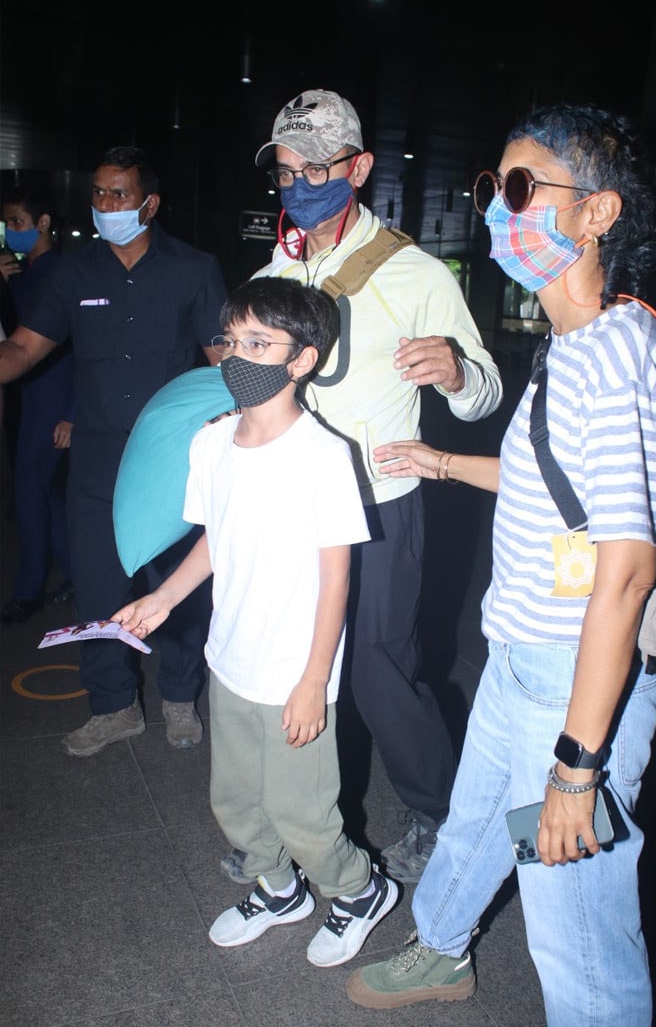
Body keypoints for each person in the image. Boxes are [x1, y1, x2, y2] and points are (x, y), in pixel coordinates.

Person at [344, 103, 656, 1024]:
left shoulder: (613, 357)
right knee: (470, 827)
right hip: (522, 655)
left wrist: (578, 767)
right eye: (493, 187)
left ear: (598, 214)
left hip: (577, 683)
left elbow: (624, 570)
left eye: (525, 187)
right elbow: (552, 480)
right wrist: (445, 462)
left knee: (574, 922)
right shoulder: (571, 343)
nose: (500, 206)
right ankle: (442, 950)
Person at [221, 88, 503, 885]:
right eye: (287, 169)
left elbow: (483, 391)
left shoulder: (413, 272)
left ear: (360, 167)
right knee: (282, 664)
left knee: (380, 671)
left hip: (379, 504)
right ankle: (282, 827)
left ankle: (439, 813)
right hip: (287, 508)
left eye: (319, 165)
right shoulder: (272, 272)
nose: (302, 181)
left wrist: (454, 372)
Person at [112, 276, 399, 967]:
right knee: (236, 804)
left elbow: (338, 578)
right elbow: (215, 537)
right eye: (232, 340)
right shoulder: (211, 443)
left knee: (304, 814)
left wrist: (313, 681)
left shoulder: (323, 457)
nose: (237, 356)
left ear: (303, 360)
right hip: (232, 656)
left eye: (259, 343)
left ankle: (359, 892)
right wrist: (166, 598)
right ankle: (278, 892)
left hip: (294, 669)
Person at [0, 146, 228, 756]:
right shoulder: (76, 274)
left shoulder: (194, 270)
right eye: (98, 194)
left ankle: (180, 697)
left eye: (119, 195)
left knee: (175, 579)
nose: (105, 206)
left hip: (173, 459)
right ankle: (113, 703)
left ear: (148, 204)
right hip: (98, 459)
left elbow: (223, 362)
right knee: (98, 584)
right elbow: (23, 348)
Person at [0, 185, 75, 623]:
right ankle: (73, 573)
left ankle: (28, 591)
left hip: (52, 397)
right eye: (7, 225)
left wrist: (72, 412)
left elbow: (68, 346)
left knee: (30, 491)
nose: (11, 233)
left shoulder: (58, 273)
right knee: (43, 494)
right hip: (30, 396)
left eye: (18, 223)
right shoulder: (25, 273)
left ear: (43, 224)